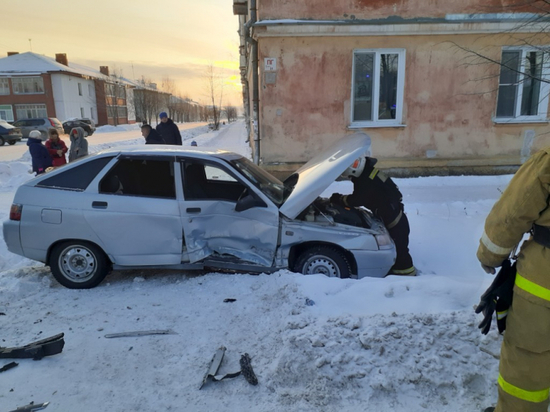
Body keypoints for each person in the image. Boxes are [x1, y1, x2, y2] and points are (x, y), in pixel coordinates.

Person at [477, 147, 550, 412]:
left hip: (543, 285)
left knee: (528, 361)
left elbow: (510, 215)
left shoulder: (548, 161)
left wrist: (489, 256)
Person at [330, 156, 416, 276]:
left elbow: (357, 199)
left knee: (400, 254)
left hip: (395, 223)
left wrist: (339, 199)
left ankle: (406, 279)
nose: (351, 179)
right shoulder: (371, 173)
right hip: (397, 217)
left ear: (354, 170)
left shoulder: (365, 180)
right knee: (399, 252)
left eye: (351, 176)